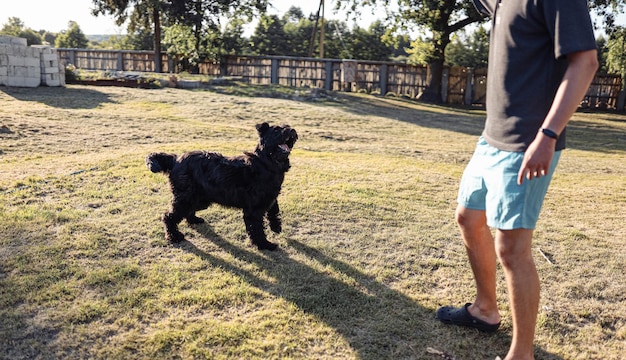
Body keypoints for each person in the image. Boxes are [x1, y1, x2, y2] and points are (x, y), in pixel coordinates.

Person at [435, 0, 599, 359]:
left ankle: (521, 354)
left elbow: (585, 61)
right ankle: (485, 310)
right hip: (491, 136)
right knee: (468, 217)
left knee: (511, 248)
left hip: (528, 140)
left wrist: (549, 134)